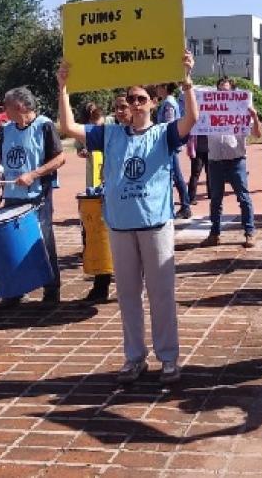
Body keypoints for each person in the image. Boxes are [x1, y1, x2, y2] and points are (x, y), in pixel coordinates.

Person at [56, 51, 198, 385]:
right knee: (128, 296)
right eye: (129, 99)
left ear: (151, 103)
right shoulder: (110, 133)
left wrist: (187, 82)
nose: (134, 104)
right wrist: (63, 88)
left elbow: (191, 120)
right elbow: (68, 126)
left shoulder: (163, 133)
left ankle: (169, 358)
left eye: (140, 98)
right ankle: (134, 358)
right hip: (120, 226)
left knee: (161, 296)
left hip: (155, 226)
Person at [0, 87, 66, 309]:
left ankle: (51, 289)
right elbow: (0, 157)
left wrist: (34, 174)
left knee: (42, 241)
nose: (4, 111)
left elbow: (60, 158)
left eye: (6, 106)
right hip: (12, 196)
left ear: (19, 106)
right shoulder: (7, 130)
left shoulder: (44, 125)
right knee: (12, 244)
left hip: (37, 196)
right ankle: (16, 290)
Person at [200, 77, 262, 249]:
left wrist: (255, 116)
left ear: (234, 93)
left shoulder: (242, 111)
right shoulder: (209, 111)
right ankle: (214, 233)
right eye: (220, 91)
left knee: (243, 198)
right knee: (215, 200)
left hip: (236, 161)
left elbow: (258, 134)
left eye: (226, 91)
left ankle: (249, 232)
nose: (223, 94)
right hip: (215, 161)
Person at [75, 101, 112, 304]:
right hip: (97, 187)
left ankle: (134, 283)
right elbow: (72, 132)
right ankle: (101, 284)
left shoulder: (115, 128)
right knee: (98, 236)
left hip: (121, 192)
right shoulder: (95, 132)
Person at [154, 82, 192, 219]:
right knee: (174, 175)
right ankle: (184, 205)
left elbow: (168, 124)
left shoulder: (168, 104)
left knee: (175, 175)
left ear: (164, 88)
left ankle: (185, 206)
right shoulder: (167, 102)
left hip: (168, 143)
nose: (156, 90)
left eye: (158, 87)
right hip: (168, 143)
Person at [186, 132, 209, 205]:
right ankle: (191, 197)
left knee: (210, 172)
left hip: (209, 149)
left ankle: (211, 194)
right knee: (195, 174)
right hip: (198, 150)